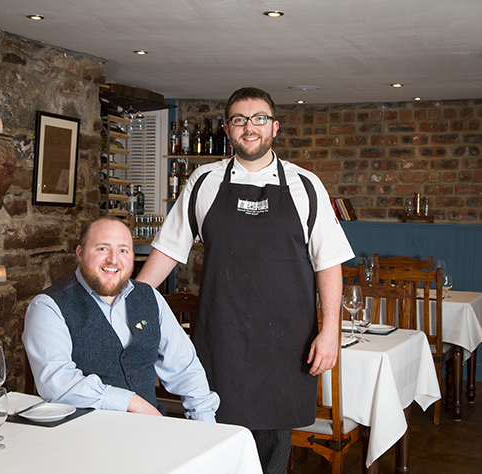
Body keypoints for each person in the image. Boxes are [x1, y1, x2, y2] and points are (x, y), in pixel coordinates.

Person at [136, 87, 354, 473]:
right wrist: (128, 303)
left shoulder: (306, 185)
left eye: (258, 119)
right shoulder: (203, 182)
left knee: (272, 451)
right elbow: (169, 250)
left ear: (274, 127)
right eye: (239, 120)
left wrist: (330, 330)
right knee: (214, 440)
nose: (248, 127)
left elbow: (329, 263)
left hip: (286, 343)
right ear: (227, 128)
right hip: (222, 337)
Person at [22, 216, 219, 422]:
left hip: (149, 435)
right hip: (82, 439)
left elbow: (186, 369)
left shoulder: (149, 297)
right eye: (102, 249)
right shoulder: (47, 306)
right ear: (80, 254)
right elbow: (56, 382)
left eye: (123, 250)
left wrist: (205, 424)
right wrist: (130, 402)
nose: (114, 260)